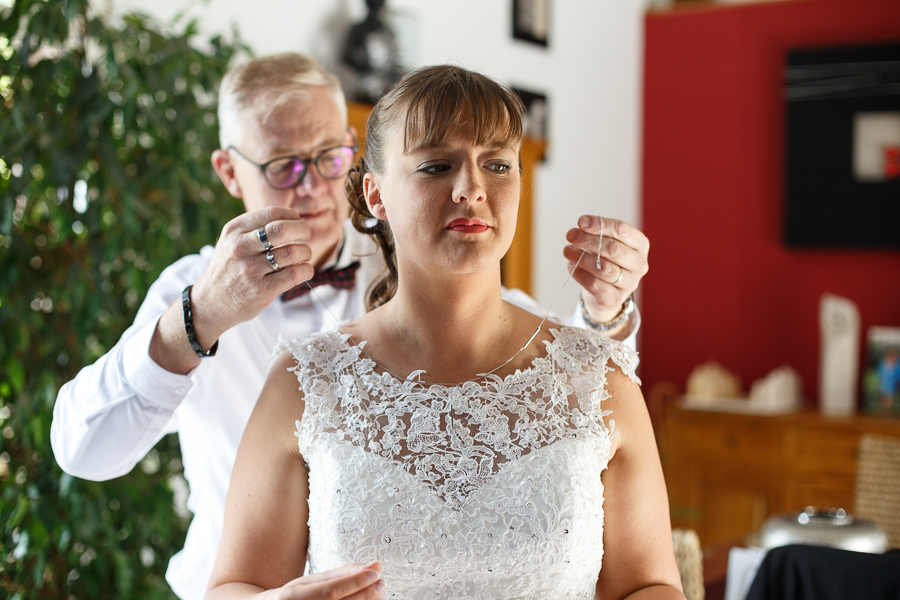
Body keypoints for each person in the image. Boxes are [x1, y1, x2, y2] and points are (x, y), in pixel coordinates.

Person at [50, 54, 650, 600]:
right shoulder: (193, 294)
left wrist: (605, 313)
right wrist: (199, 317)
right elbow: (83, 452)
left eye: (328, 159)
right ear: (230, 173)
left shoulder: (427, 252)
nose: (312, 186)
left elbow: (541, 371)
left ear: (356, 164)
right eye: (284, 166)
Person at [206, 65, 681, 600]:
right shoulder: (305, 379)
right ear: (376, 195)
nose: (472, 189)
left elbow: (648, 585)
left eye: (498, 164)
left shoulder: (598, 376)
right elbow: (234, 586)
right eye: (436, 166)